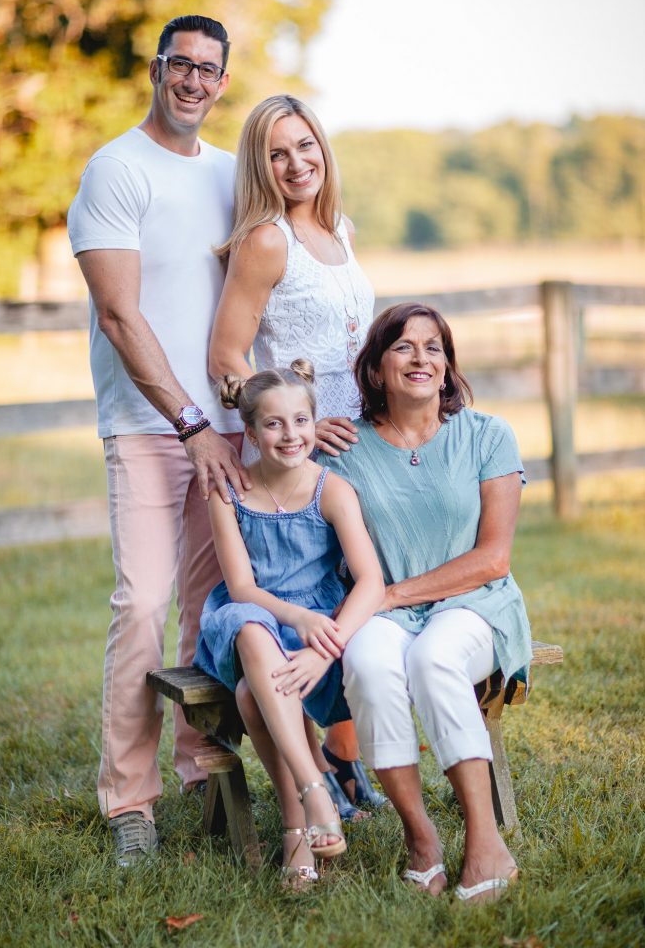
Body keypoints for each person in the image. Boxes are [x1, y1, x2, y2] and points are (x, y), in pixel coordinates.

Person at [67, 14, 251, 867]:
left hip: (231, 428)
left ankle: (200, 767)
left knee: (210, 608)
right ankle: (127, 803)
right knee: (142, 603)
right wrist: (189, 423)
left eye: (209, 71)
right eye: (181, 65)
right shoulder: (114, 169)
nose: (194, 82)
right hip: (151, 425)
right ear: (156, 68)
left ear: (221, 81)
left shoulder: (230, 175)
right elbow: (118, 313)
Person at [208, 93, 385, 816]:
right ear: (261, 165)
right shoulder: (266, 239)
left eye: (305, 145)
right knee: (309, 594)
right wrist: (294, 426)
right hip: (303, 454)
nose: (296, 163)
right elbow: (226, 355)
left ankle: (345, 761)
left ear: (322, 147)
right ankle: (316, 774)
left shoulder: (339, 228)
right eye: (277, 152)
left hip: (360, 447)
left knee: (354, 590)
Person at [327, 302, 533, 902]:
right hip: (385, 612)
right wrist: (302, 434)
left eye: (434, 348)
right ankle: (421, 838)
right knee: (367, 662)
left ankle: (485, 838)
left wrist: (391, 594)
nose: (421, 358)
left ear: (447, 368)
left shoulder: (487, 435)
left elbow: (494, 558)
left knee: (433, 658)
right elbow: (273, 479)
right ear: (374, 370)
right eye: (404, 347)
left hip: (476, 604)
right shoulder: (345, 448)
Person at [193, 361, 384, 887]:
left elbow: (369, 581)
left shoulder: (332, 489)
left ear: (313, 422)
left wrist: (323, 638)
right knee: (252, 627)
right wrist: (296, 615)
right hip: (256, 619)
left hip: (317, 633)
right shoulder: (228, 491)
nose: (291, 434)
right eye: (273, 424)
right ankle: (314, 785)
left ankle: (296, 830)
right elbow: (242, 590)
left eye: (301, 420)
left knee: (253, 698)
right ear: (249, 432)